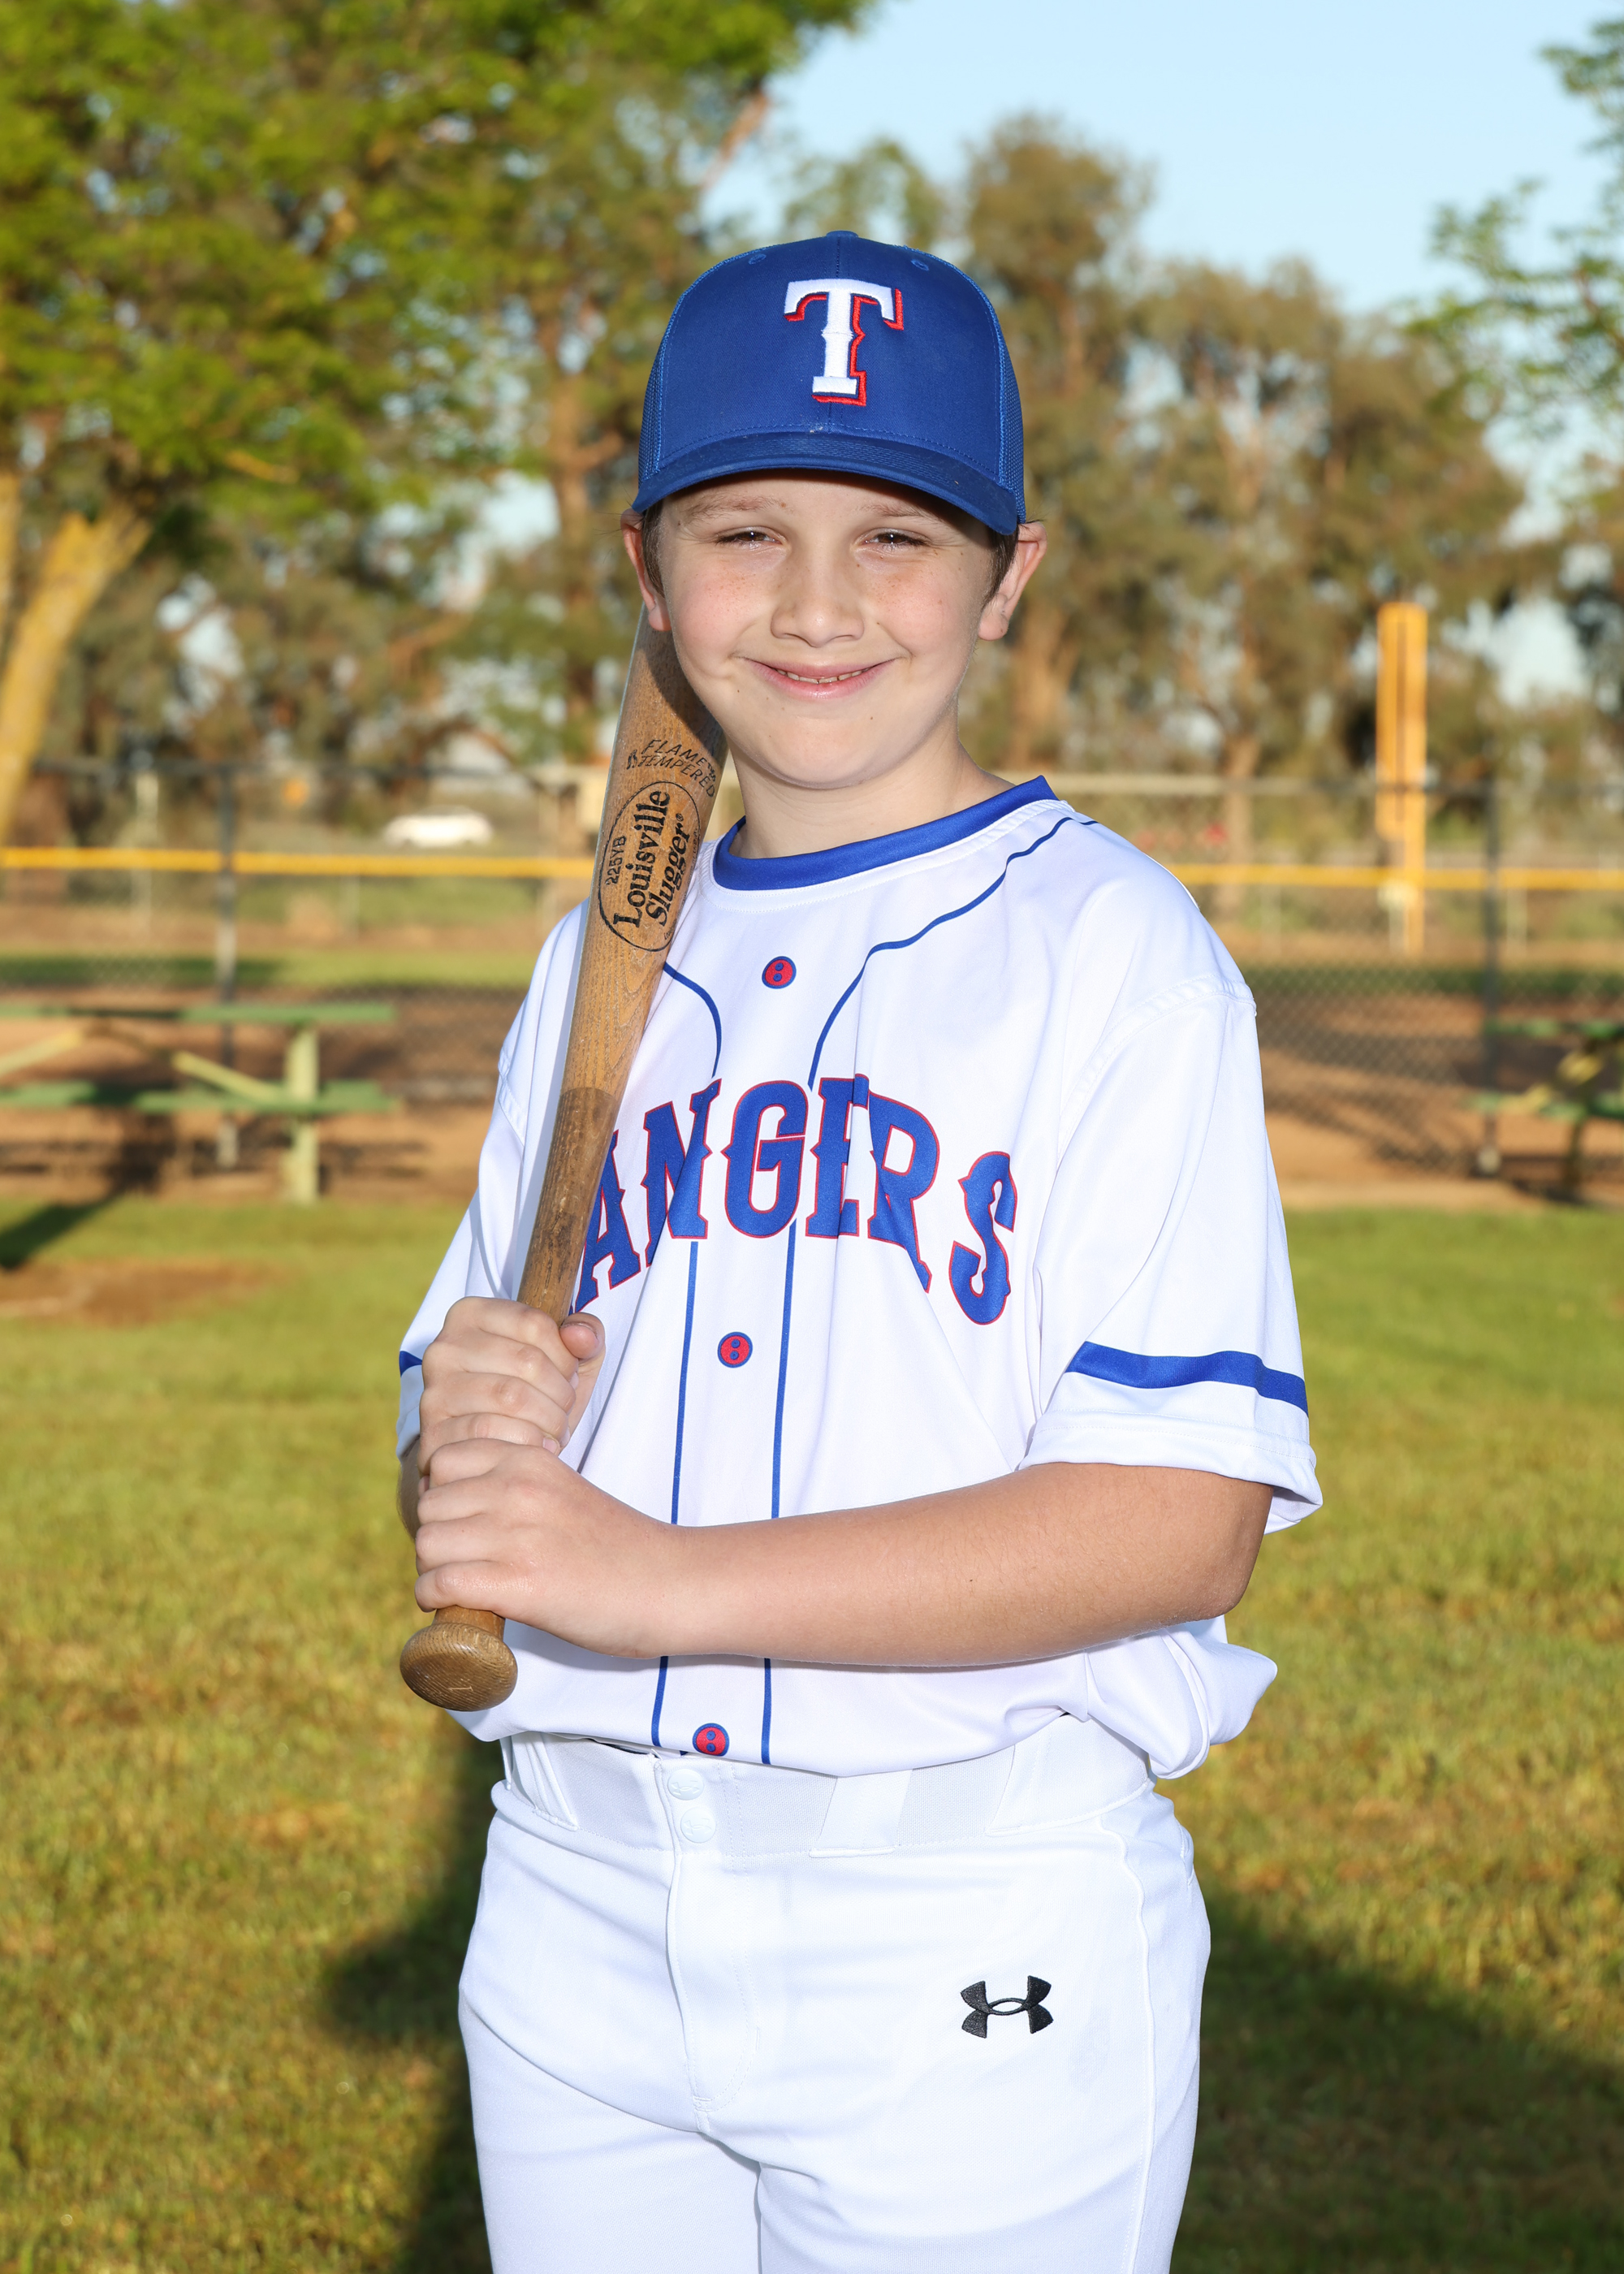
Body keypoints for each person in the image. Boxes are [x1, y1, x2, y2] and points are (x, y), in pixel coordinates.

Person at [395, 230, 1320, 2274]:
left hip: (963, 1908)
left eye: (896, 536)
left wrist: (649, 1577)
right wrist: (458, 1430)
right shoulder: (589, 969)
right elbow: (462, 1480)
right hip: (571, 1892)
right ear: (648, 570)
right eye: (745, 532)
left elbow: (1177, 1520)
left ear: (1007, 575)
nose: (817, 602)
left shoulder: (1111, 950)